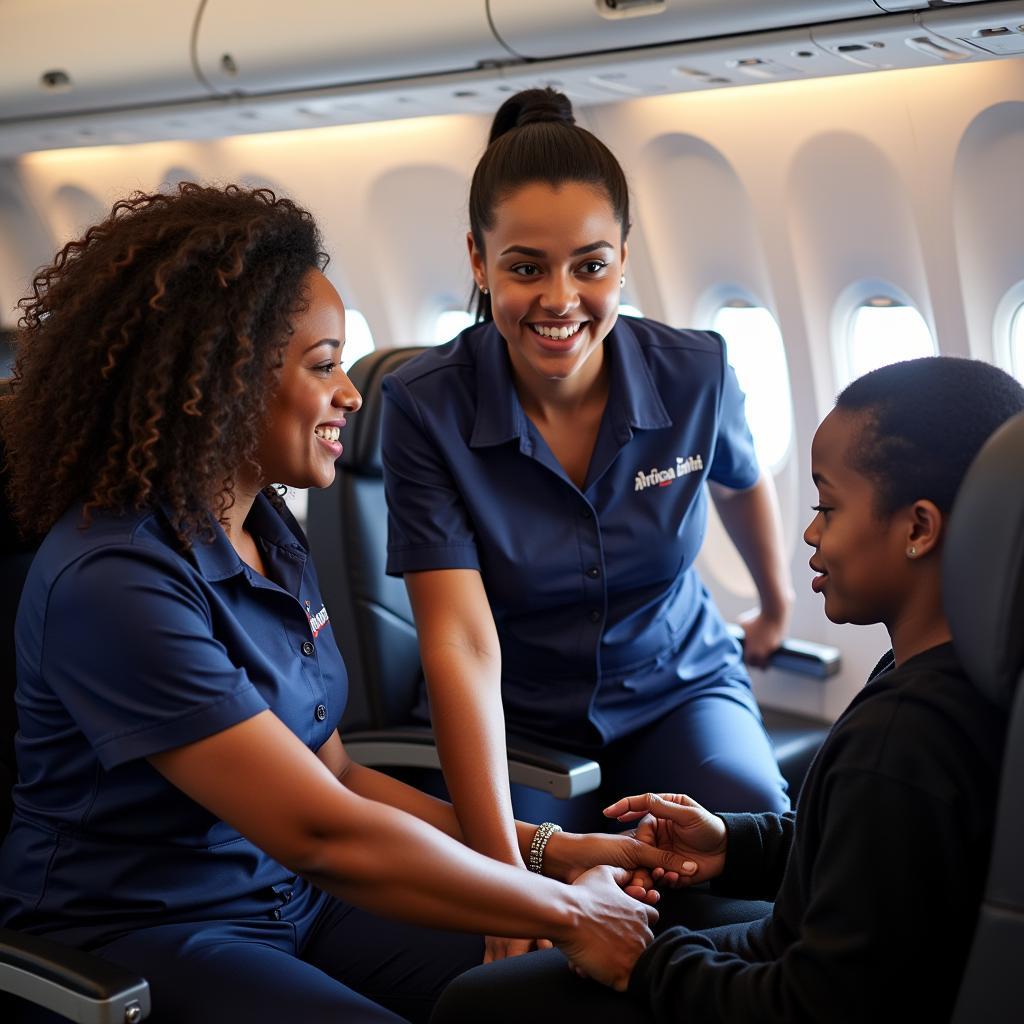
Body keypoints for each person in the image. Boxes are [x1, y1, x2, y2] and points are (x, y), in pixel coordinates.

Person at [0, 184, 699, 1024]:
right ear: (225, 380)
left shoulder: (265, 528)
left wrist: (551, 851)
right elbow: (319, 831)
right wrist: (564, 907)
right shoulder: (114, 582)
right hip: (149, 931)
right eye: (324, 364)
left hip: (296, 901)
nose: (352, 393)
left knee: (562, 995)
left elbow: (337, 773)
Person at [430, 355, 1024, 1023]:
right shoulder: (967, 671)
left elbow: (814, 1006)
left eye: (827, 506)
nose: (810, 531)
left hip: (788, 982)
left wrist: (639, 963)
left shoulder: (900, 741)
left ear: (918, 528)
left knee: (474, 1006)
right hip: (793, 949)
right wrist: (732, 843)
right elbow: (870, 861)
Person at [380, 87, 793, 959]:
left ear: (625, 260)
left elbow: (741, 477)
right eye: (526, 267)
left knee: (767, 866)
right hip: (520, 716)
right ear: (479, 260)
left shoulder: (695, 370)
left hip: (680, 686)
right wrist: (499, 883)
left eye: (590, 266)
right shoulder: (423, 409)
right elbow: (460, 645)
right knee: (536, 937)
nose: (561, 300)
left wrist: (774, 602)